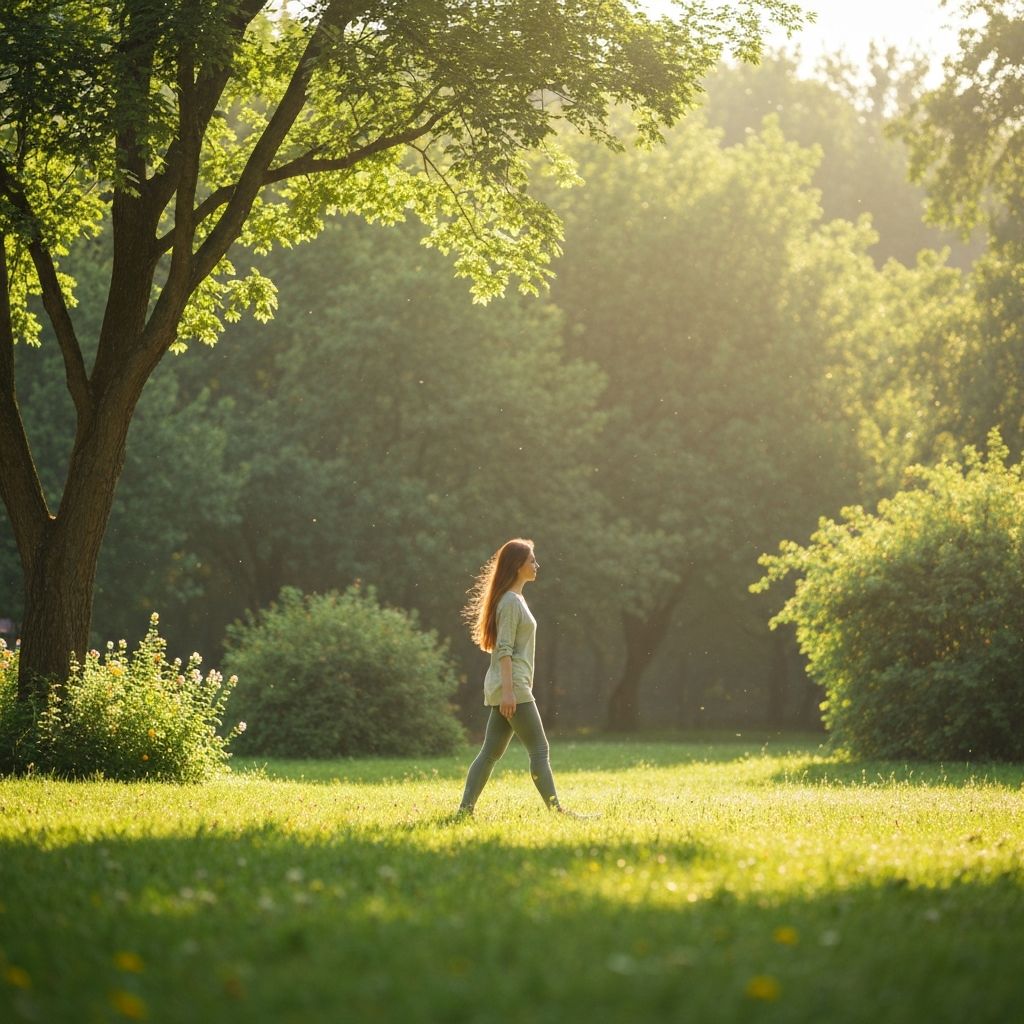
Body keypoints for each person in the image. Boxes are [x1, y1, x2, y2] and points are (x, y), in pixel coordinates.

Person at [458, 537, 574, 815]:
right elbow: (504, 651)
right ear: (517, 565)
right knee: (539, 750)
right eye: (531, 560)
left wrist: (506, 690)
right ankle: (557, 812)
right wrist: (509, 692)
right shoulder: (510, 601)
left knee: (489, 754)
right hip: (514, 687)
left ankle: (464, 811)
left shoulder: (515, 599)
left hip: (509, 686)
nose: (537, 565)